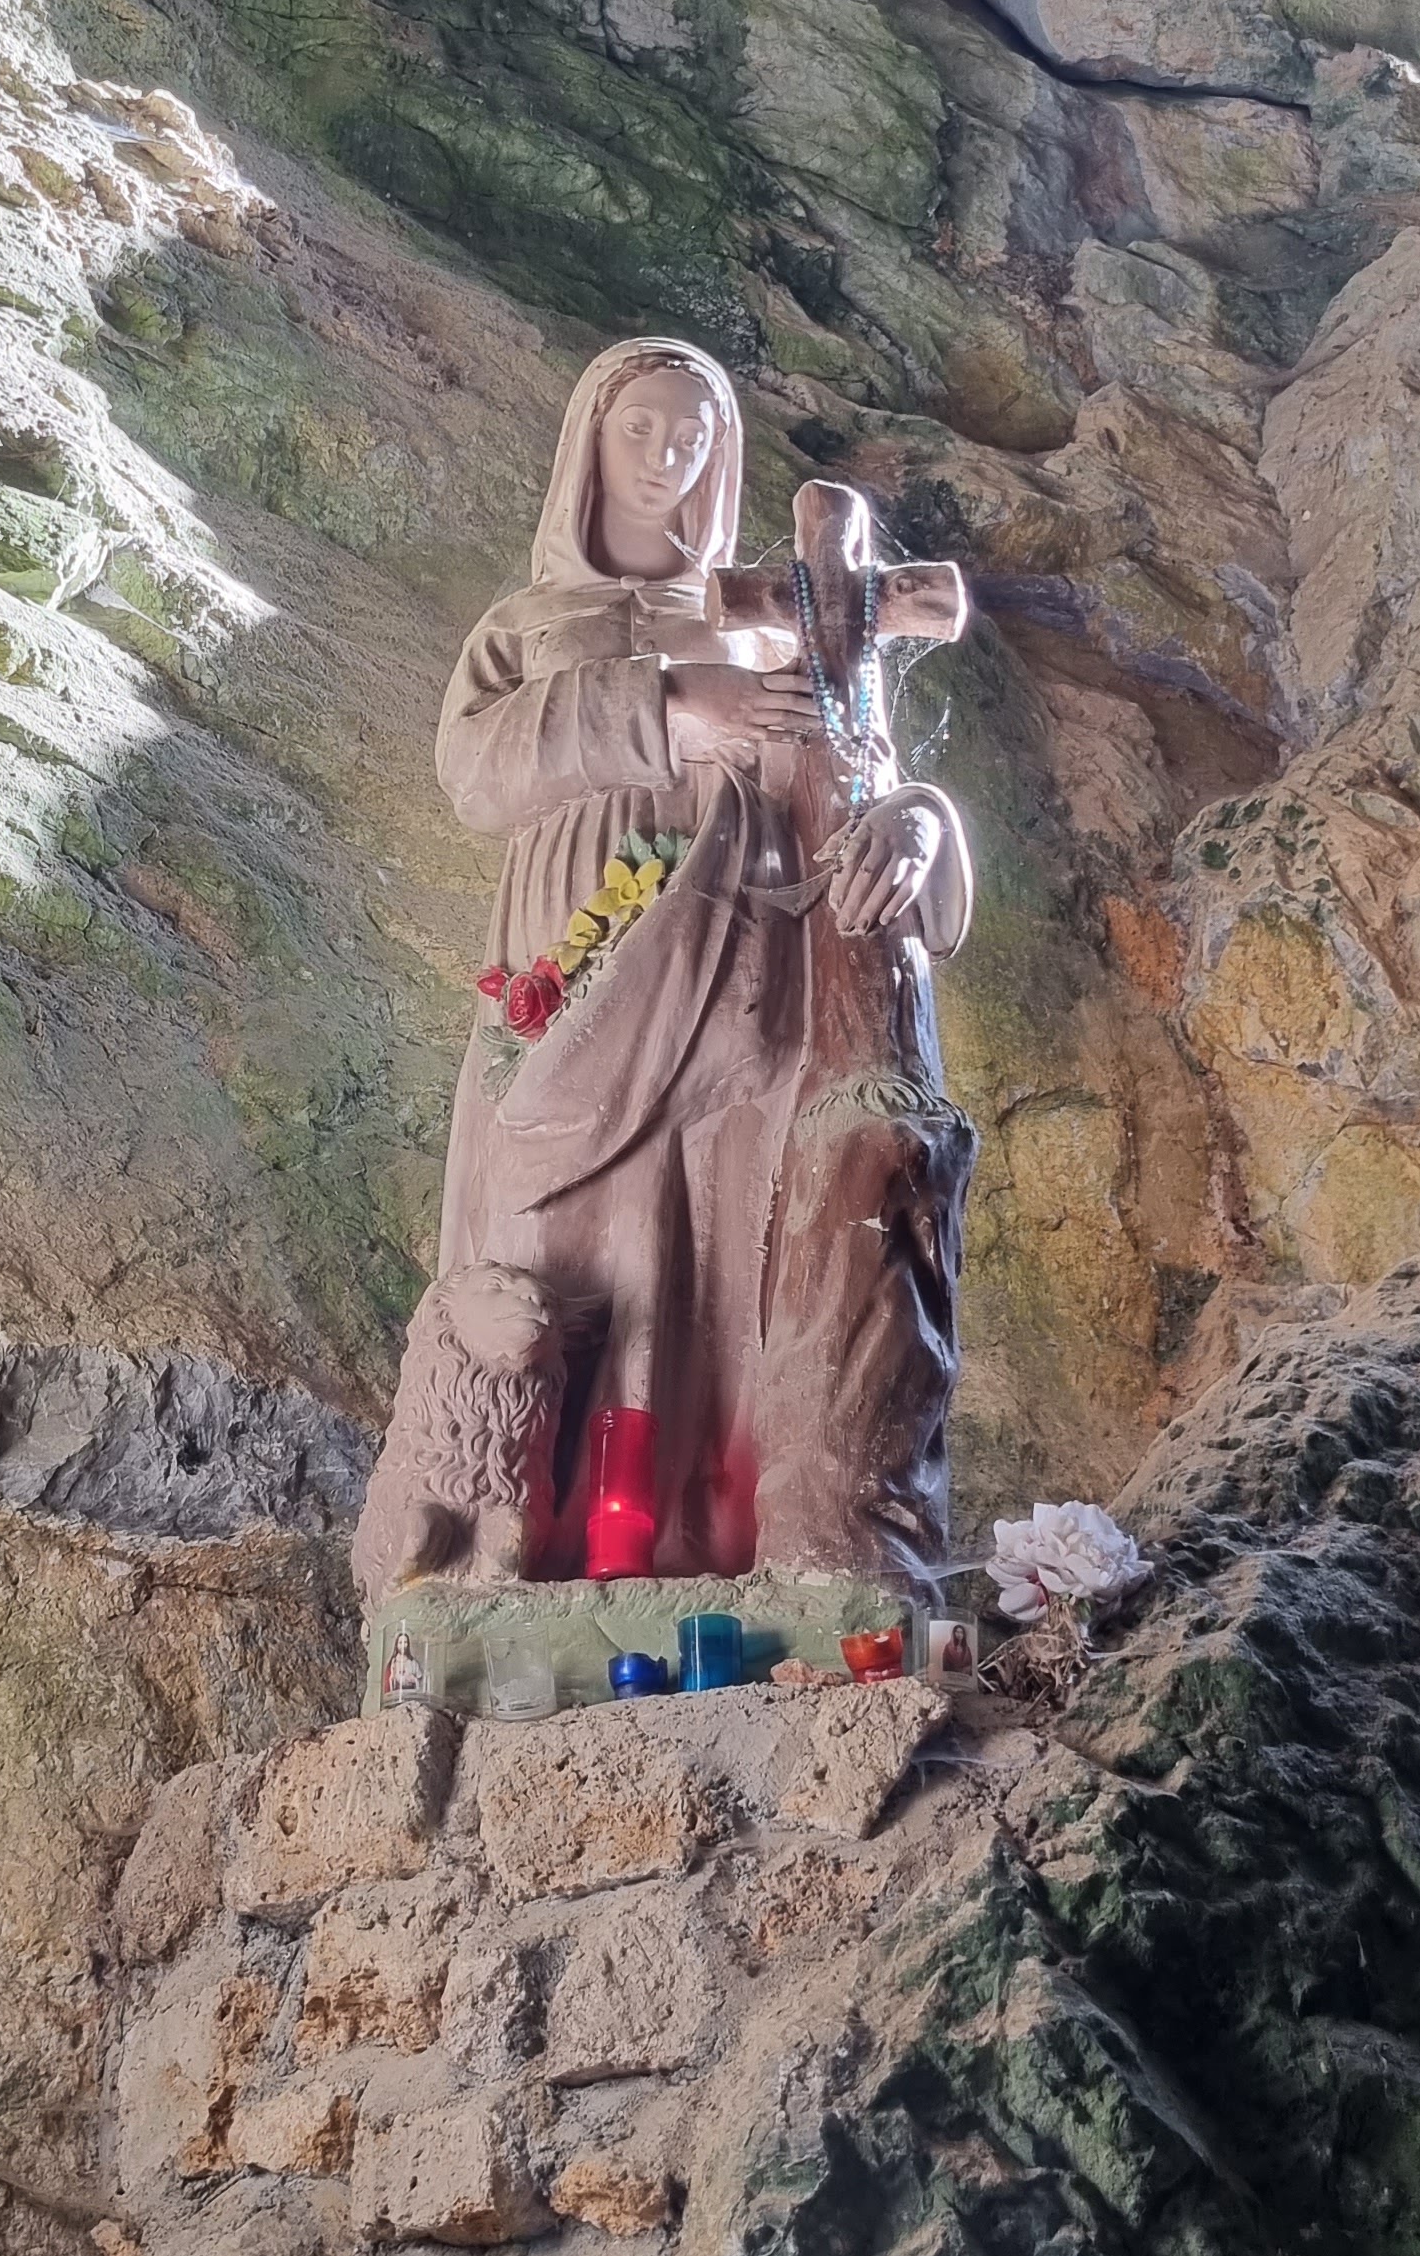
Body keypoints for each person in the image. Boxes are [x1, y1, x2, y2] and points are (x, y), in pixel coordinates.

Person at [366, 337, 970, 1587]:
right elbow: (476, 773)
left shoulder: (760, 623)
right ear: (588, 444)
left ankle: (693, 1538)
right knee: (548, 1239)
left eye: (693, 439)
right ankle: (517, 1532)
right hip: (569, 949)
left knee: (703, 1240)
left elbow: (848, 779)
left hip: (731, 967)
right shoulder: (525, 627)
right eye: (638, 429)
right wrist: (669, 706)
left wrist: (922, 824)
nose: (664, 460)